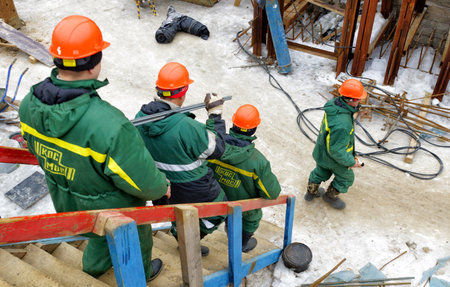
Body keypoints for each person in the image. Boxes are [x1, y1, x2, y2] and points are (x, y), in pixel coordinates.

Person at [19, 15, 170, 282]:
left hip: (67, 201)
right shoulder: (110, 125)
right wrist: (161, 187)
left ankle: (92, 272)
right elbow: (141, 180)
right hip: (114, 211)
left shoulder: (29, 104)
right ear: (94, 63)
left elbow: (35, 147)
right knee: (134, 237)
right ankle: (141, 274)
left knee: (96, 238)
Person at [135, 62, 228, 257]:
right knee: (220, 209)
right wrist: (215, 116)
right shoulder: (186, 127)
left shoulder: (140, 118)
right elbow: (217, 149)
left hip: (162, 186)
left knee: (176, 213)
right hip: (195, 187)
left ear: (158, 90)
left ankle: (181, 236)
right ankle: (189, 241)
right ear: (184, 91)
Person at [207, 104, 281, 252]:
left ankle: (228, 228)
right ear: (254, 129)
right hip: (243, 206)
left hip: (216, 200)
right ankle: (241, 243)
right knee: (252, 216)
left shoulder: (213, 147)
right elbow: (272, 193)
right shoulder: (257, 161)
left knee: (227, 213)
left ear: (233, 124)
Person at [305, 79, 366, 210]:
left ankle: (311, 192)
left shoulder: (334, 105)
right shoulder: (343, 123)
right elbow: (336, 151)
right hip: (335, 159)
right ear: (351, 100)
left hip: (322, 152)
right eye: (358, 99)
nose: (360, 101)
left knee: (320, 171)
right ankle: (330, 196)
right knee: (346, 178)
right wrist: (351, 162)